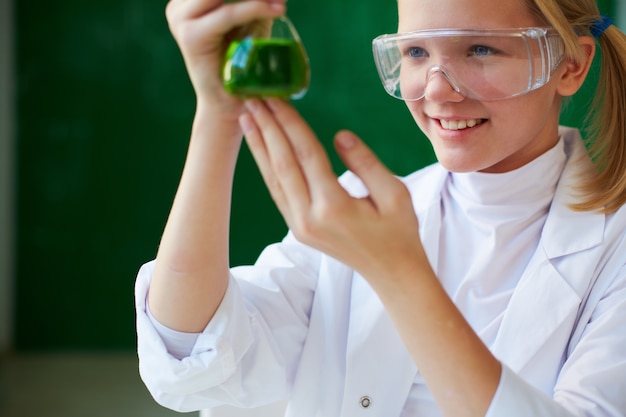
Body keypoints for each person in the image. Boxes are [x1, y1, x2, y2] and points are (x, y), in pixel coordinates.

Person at [135, 0, 626, 415]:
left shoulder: (615, 249)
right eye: (415, 52)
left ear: (570, 65)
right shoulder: (355, 218)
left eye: (479, 49)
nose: (436, 89)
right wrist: (219, 111)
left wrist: (397, 271)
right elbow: (190, 357)